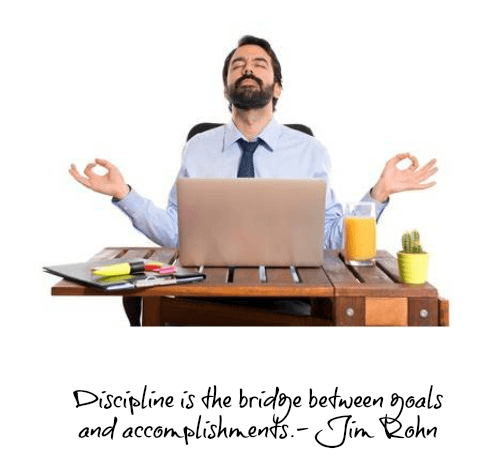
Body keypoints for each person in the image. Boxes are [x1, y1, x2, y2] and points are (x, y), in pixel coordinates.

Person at [69, 35, 437, 324]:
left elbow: (327, 239)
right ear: (226, 88)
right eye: (237, 65)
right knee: (139, 304)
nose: (247, 69)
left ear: (277, 87)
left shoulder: (310, 151)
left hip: (287, 293)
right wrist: (124, 194)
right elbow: (178, 233)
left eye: (259, 64)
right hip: (202, 289)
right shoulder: (198, 148)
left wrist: (380, 193)